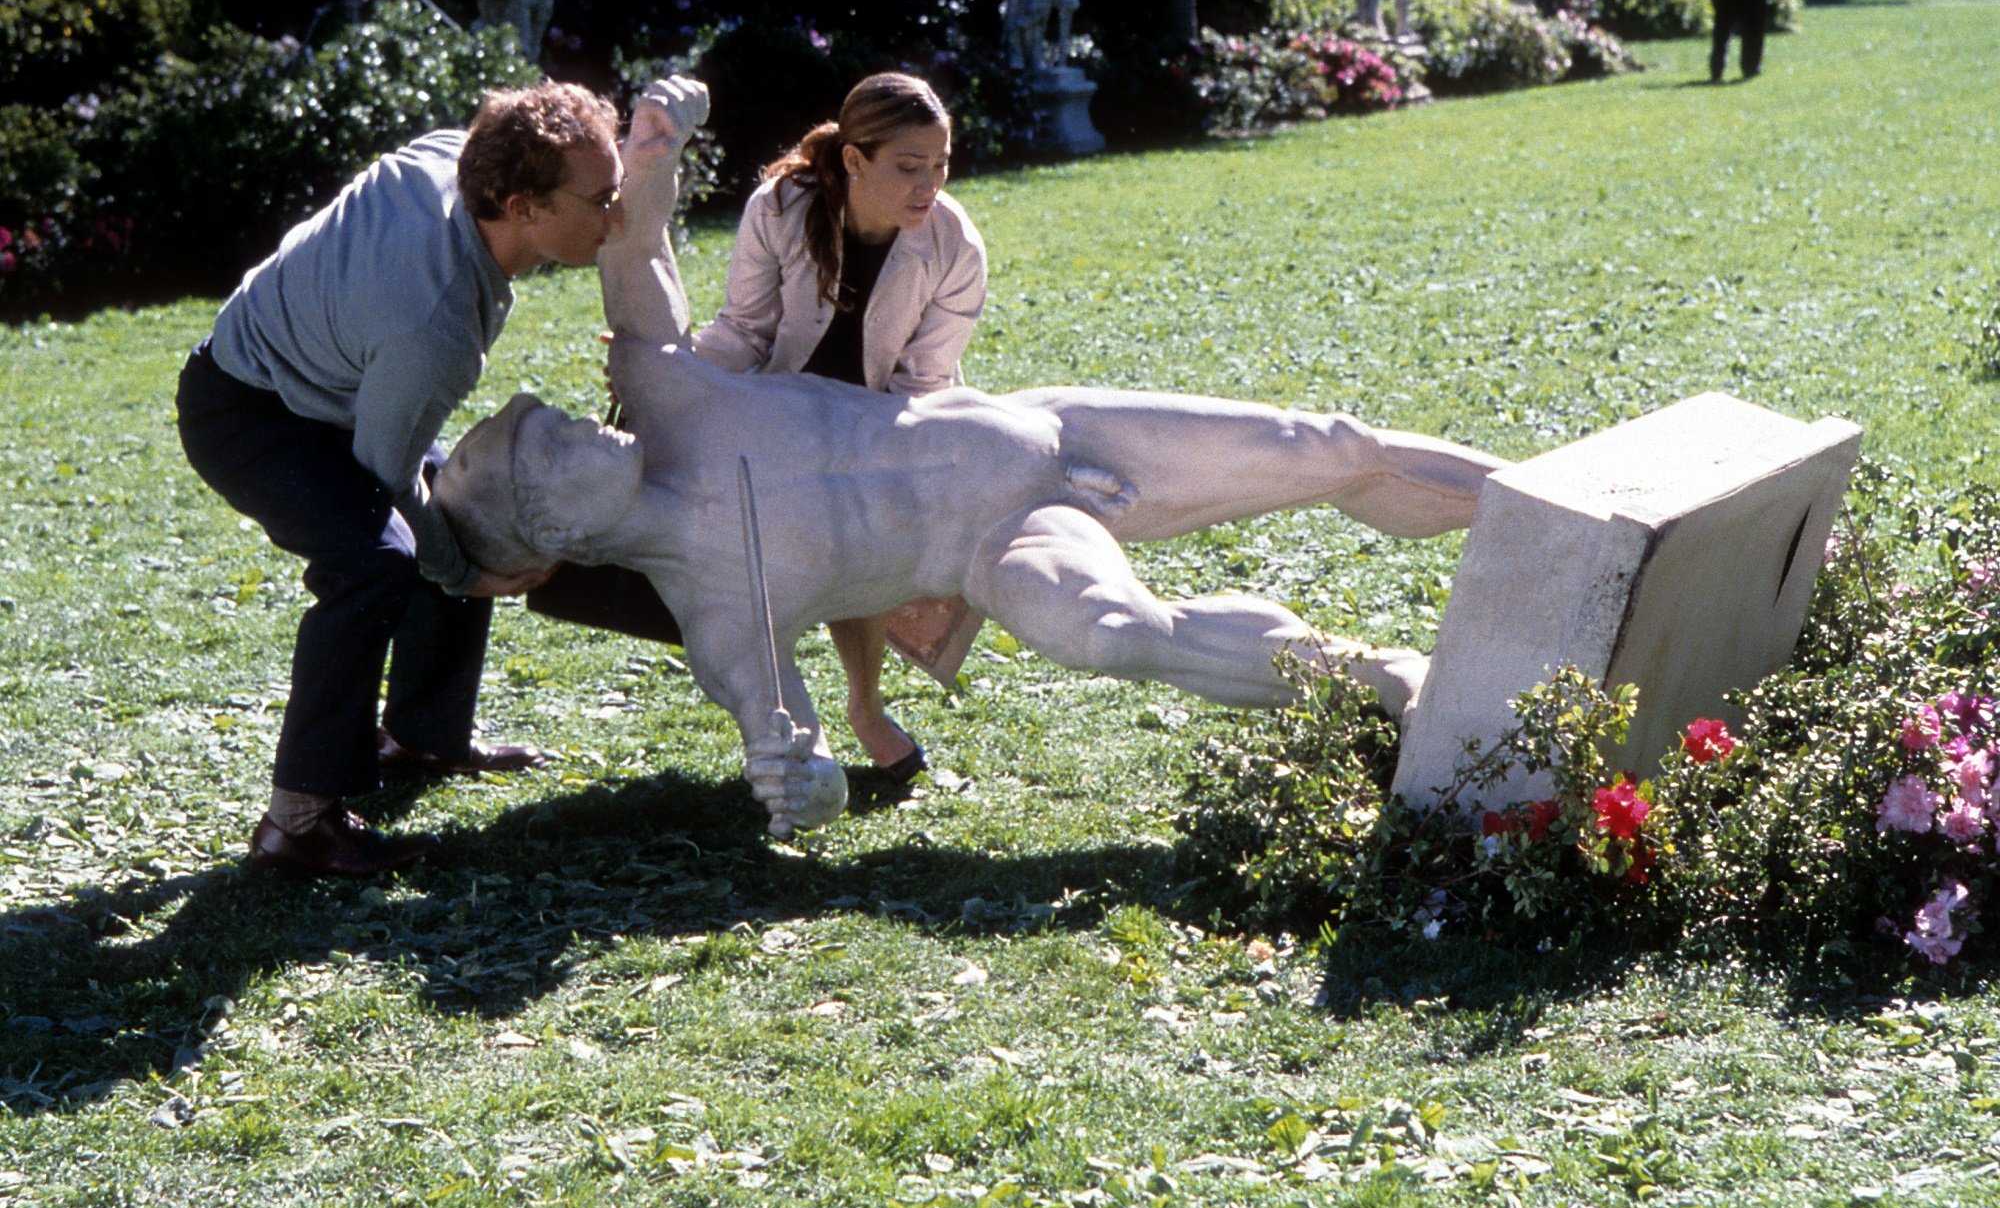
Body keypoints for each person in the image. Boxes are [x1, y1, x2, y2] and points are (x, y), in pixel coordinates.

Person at [435, 348, 1508, 842]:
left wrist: (659, 142)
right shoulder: (720, 620)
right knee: (1110, 632)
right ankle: (1382, 678)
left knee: (1320, 444)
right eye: (551, 442)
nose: (576, 418)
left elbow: (637, 234)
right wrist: (801, 781)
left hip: (1048, 428)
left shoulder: (668, 386)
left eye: (555, 413)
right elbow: (793, 759)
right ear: (555, 533)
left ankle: (1539, 502)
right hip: (994, 541)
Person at [176, 79, 626, 878]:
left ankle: (421, 735)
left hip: (329, 386)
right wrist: (468, 573)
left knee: (450, 505)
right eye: (601, 198)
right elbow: (384, 473)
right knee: (375, 558)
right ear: (523, 206)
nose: (615, 214)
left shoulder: (462, 156)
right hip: (246, 410)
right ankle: (298, 821)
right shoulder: (435, 323)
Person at [680, 72, 989, 786]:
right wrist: (669, 371)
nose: (929, 186)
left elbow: (925, 384)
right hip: (777, 417)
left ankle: (866, 708)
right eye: (909, 168)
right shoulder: (782, 206)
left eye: (941, 166)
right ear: (854, 159)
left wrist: (866, 461)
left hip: (886, 422)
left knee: (865, 538)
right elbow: (744, 330)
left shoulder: (956, 246)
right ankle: (787, 723)